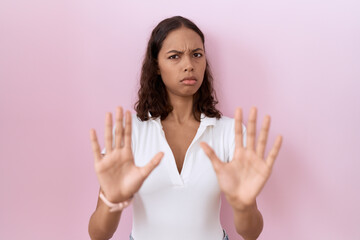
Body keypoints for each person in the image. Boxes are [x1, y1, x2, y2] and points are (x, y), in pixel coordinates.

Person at [88, 16, 283, 240]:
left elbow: (251, 233)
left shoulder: (230, 132)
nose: (189, 65)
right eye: (174, 56)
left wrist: (243, 206)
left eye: (197, 54)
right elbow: (97, 235)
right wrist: (112, 200)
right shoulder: (129, 131)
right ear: (157, 66)